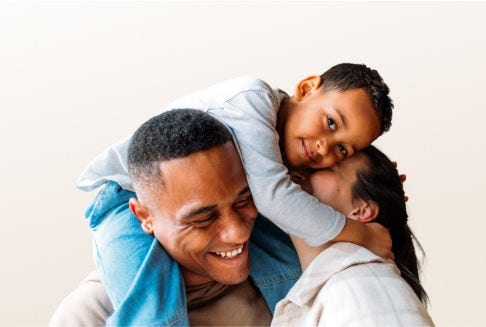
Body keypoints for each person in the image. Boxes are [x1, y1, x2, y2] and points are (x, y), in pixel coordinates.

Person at [75, 63, 394, 325]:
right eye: (330, 122)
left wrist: (385, 186)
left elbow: (296, 195)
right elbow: (276, 198)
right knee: (153, 311)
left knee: (292, 271)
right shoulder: (252, 102)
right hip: (128, 196)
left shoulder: (295, 145)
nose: (325, 146)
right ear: (307, 88)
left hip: (222, 206)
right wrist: (362, 234)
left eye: (342, 149)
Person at [51, 109, 301, 326]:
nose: (237, 231)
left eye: (243, 201)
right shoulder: (90, 315)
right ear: (144, 217)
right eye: (203, 218)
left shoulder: (292, 270)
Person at [271, 145, 434, 326]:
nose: (297, 172)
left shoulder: (362, 288)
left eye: (326, 168)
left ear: (362, 211)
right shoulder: (336, 289)